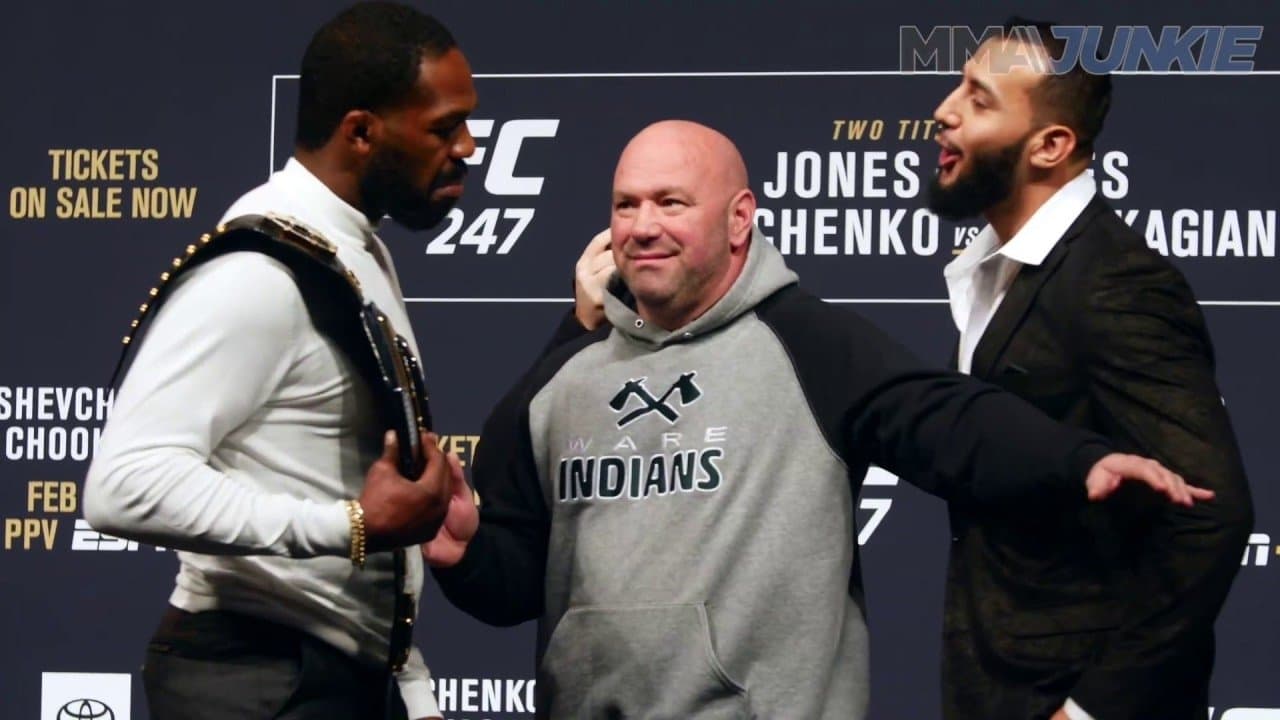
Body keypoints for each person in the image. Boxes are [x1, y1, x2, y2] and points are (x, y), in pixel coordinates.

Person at [422, 119, 1211, 719]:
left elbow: (946, 419)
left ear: (739, 219)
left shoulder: (809, 344)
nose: (642, 226)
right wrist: (463, 553)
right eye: (626, 205)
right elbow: (513, 585)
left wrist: (1078, 460)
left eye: (671, 203)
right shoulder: (568, 373)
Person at [83, 3, 478, 718]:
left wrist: (413, 693)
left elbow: (363, 536)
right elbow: (124, 483)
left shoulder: (353, 247)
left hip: (335, 677)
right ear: (361, 132)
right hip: (255, 677)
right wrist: (349, 525)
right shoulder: (259, 272)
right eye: (444, 128)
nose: (469, 147)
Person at [925, 19, 1253, 720]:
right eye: (958, 86)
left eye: (980, 100)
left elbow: (1212, 515)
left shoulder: (1114, 282)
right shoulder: (1000, 269)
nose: (945, 111)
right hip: (998, 688)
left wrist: (1089, 708)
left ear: (1050, 146)